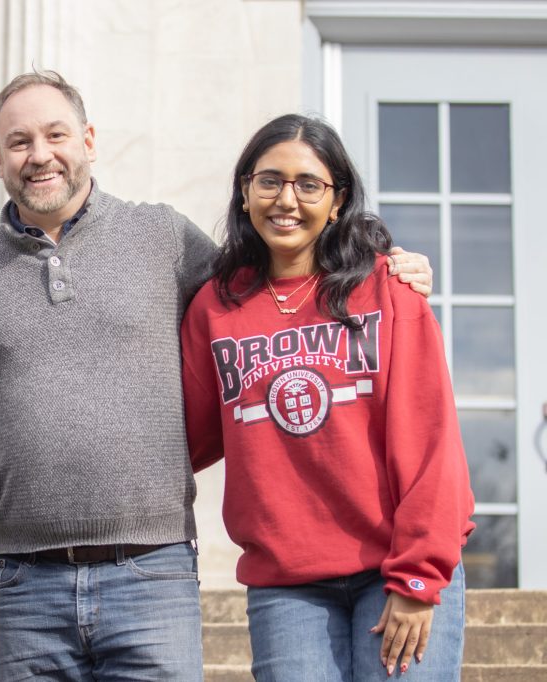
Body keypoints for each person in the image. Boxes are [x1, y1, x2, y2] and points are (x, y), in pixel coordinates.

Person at [0, 71, 433, 681]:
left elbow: (272, 281)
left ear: (88, 139)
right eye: (18, 141)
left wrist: (380, 266)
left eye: (56, 134)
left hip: (152, 571)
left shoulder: (163, 237)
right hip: (23, 577)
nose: (40, 155)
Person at [181, 113, 475, 681]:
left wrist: (419, 573)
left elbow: (431, 440)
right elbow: (187, 439)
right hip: (287, 585)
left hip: (394, 567)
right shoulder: (215, 308)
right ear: (245, 192)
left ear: (337, 201)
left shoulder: (387, 289)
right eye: (269, 181)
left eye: (308, 184)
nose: (286, 199)